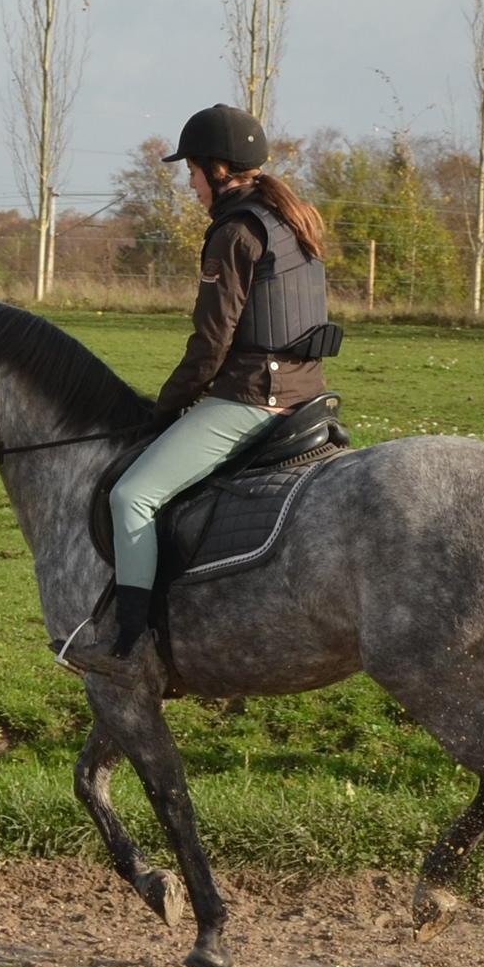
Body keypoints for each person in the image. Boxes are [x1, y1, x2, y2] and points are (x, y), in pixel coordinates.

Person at [60, 103, 340, 685]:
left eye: (190, 173)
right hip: (305, 394)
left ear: (216, 170)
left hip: (250, 400)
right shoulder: (291, 219)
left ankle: (129, 643)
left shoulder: (235, 233)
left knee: (132, 495)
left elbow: (211, 344)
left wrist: (165, 407)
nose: (189, 186)